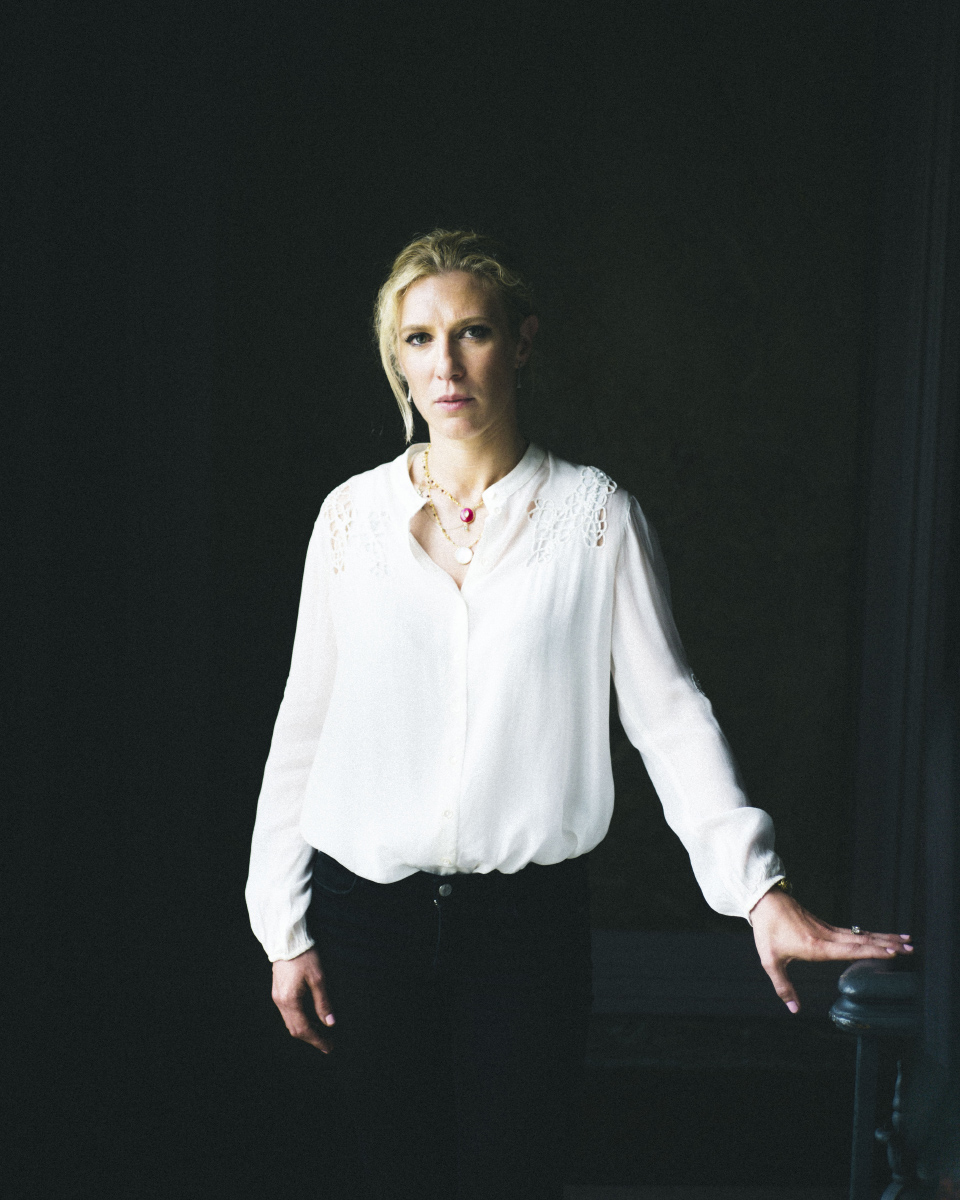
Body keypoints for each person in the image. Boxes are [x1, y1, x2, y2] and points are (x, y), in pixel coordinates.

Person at [245, 229, 913, 1200]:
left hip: (526, 930)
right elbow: (304, 726)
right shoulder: (349, 519)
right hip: (364, 924)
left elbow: (670, 716)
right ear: (397, 358)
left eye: (472, 332)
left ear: (521, 342)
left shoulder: (596, 519)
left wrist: (759, 892)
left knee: (516, 1177)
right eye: (420, 338)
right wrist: (283, 926)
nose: (445, 364)